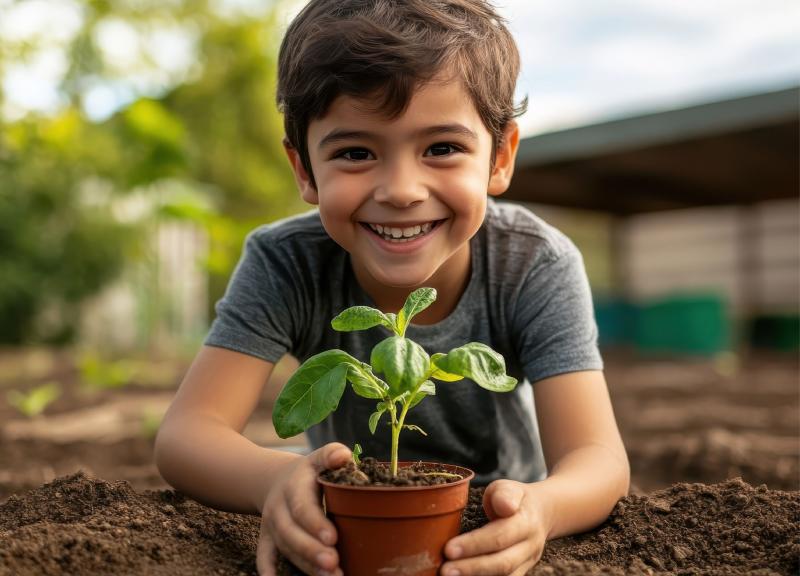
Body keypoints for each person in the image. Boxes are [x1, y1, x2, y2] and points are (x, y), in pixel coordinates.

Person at [154, 1, 630, 575]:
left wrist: (543, 510)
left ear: (499, 157)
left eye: (442, 148)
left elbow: (597, 459)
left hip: (491, 520)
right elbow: (186, 434)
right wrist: (272, 481)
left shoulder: (534, 263)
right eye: (355, 153)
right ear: (304, 169)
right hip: (348, 523)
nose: (402, 190)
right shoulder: (285, 262)